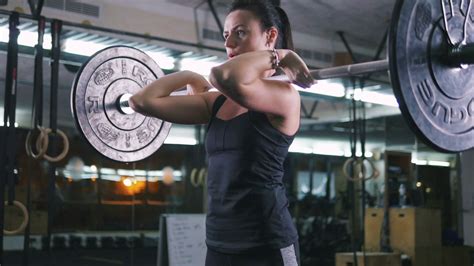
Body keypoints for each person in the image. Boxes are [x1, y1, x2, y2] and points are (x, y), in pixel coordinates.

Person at [130, 0, 314, 265]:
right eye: (226, 35)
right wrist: (188, 75)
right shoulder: (216, 102)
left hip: (267, 242)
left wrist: (280, 56)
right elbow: (142, 102)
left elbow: (223, 76)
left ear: (270, 35)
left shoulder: (284, 97)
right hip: (219, 242)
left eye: (240, 33)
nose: (229, 45)